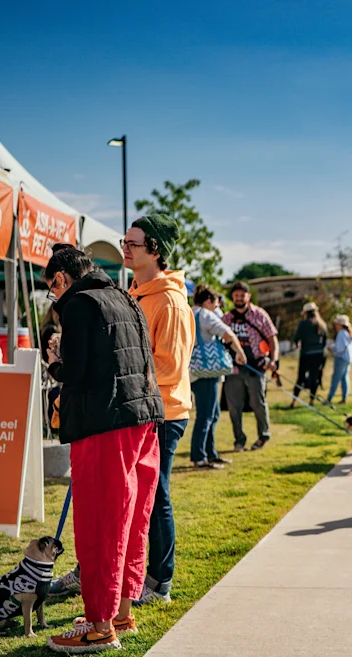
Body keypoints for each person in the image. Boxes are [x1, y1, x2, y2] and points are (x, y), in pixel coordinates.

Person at [42, 247, 163, 654]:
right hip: (144, 416)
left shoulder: (77, 304)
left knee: (101, 522)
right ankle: (122, 611)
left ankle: (100, 625)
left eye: (50, 290)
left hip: (105, 422)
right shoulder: (127, 296)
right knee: (133, 520)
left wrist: (54, 361)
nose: (53, 299)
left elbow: (74, 372)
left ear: (60, 279)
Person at [126, 214, 195, 605]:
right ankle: (138, 575)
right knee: (141, 497)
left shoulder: (169, 301)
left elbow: (169, 367)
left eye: (133, 243)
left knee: (157, 496)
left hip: (164, 414)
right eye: (125, 240)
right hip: (142, 408)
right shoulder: (138, 292)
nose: (125, 247)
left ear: (156, 250)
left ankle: (159, 583)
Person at [190, 286, 247, 469]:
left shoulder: (190, 313)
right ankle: (200, 457)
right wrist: (240, 352)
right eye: (215, 302)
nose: (217, 306)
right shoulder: (205, 315)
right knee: (206, 415)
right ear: (208, 301)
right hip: (207, 371)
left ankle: (210, 453)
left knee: (212, 414)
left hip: (196, 370)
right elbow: (228, 334)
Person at [222, 281, 279, 451]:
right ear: (233, 297)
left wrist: (274, 360)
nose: (239, 298)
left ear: (249, 296)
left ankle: (263, 435)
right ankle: (239, 440)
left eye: (242, 295)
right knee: (234, 406)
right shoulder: (227, 318)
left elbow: (272, 338)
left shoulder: (259, 315)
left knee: (258, 403)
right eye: (236, 295)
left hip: (256, 367)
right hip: (233, 368)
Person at [291, 302, 329, 405]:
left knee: (301, 377)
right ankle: (312, 400)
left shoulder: (303, 324)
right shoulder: (322, 324)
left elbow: (296, 338)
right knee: (314, 377)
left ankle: (294, 400)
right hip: (319, 354)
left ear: (305, 313)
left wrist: (296, 344)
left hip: (306, 354)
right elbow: (325, 341)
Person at [326, 314, 352, 404]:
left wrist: (331, 348)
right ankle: (344, 398)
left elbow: (339, 348)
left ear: (340, 324)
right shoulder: (349, 333)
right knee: (344, 378)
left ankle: (329, 398)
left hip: (341, 358)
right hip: (348, 359)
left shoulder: (341, 334)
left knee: (335, 378)